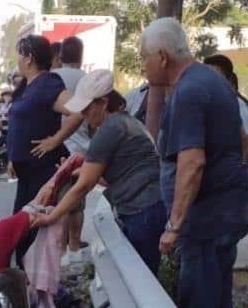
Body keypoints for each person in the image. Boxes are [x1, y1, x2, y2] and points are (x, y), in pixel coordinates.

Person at [140, 17, 248, 308]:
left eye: (144, 58)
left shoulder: (189, 92)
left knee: (200, 307)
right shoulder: (211, 81)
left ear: (161, 56)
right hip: (225, 213)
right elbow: (238, 140)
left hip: (206, 222)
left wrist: (174, 225)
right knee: (218, 303)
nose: (143, 67)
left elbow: (192, 163)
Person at [33, 70, 166, 274]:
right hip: (148, 207)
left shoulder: (109, 129)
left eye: (87, 110)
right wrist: (79, 171)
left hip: (142, 211)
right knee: (139, 275)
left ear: (103, 103)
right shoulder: (126, 122)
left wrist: (52, 217)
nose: (84, 117)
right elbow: (119, 174)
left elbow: (84, 186)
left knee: (140, 276)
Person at [6, 34, 85, 266]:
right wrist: (12, 157)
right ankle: (23, 282)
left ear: (29, 58)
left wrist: (54, 139)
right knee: (20, 228)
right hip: (25, 173)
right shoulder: (25, 85)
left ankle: (33, 287)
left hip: (42, 171)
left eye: (20, 54)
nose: (18, 59)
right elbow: (19, 125)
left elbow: (78, 111)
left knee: (30, 230)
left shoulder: (48, 83)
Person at [52, 36, 89, 264]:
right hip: (84, 147)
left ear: (61, 55)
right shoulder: (87, 79)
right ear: (81, 56)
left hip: (60, 145)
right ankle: (75, 246)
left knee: (63, 201)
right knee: (78, 202)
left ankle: (62, 250)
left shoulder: (54, 78)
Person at [203, 54, 248, 181]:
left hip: (236, 169)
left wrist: (240, 172)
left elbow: (247, 142)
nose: (209, 80)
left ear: (227, 79)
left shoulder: (238, 104)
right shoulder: (211, 100)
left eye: (215, 76)